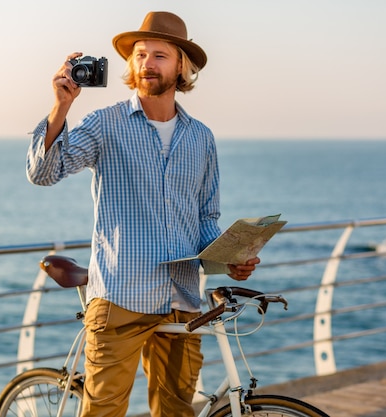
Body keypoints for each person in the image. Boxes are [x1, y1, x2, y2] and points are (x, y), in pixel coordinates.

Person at [26, 11, 260, 417]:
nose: (147, 63)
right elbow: (42, 173)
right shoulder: (106, 124)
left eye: (159, 55)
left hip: (183, 303)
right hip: (120, 299)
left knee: (176, 412)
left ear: (181, 66)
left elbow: (206, 219)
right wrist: (60, 107)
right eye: (139, 54)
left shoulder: (201, 138)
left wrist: (230, 258)